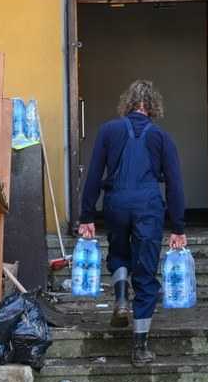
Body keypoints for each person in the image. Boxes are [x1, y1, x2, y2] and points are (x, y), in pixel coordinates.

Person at [78, 79, 186, 365]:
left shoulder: (108, 131)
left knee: (118, 254)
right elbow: (174, 185)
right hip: (148, 206)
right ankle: (140, 348)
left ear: (128, 103)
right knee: (147, 271)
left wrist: (86, 216)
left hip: (114, 203)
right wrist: (178, 227)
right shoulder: (162, 137)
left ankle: (122, 298)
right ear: (153, 106)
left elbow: (93, 175)